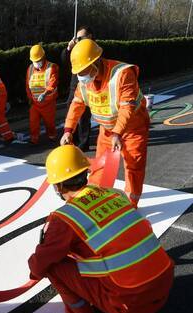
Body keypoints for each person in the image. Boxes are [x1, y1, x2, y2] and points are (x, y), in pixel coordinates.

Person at [28, 145, 174, 313]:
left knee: (53, 266)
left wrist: (34, 272)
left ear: (58, 186)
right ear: (85, 172)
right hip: (164, 287)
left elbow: (42, 261)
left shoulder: (64, 218)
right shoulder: (114, 194)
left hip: (131, 307)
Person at [60, 39, 150, 207]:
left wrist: (117, 133)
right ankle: (95, 199)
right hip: (107, 130)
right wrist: (68, 130)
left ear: (96, 62)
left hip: (133, 128)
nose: (81, 76)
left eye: (83, 71)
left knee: (133, 166)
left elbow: (127, 108)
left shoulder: (122, 74)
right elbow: (77, 104)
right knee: (101, 166)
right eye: (78, 72)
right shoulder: (84, 82)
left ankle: (131, 203)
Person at [60, 26, 94, 152]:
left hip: (89, 86)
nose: (77, 40)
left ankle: (83, 144)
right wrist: (69, 48)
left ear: (89, 36)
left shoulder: (93, 49)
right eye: (76, 38)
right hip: (75, 86)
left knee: (84, 117)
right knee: (72, 112)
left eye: (80, 38)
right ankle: (71, 139)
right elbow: (65, 61)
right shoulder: (76, 49)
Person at [26, 44, 59, 145]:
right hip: (35, 103)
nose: (36, 63)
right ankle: (34, 139)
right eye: (34, 61)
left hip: (48, 102)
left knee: (49, 123)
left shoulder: (52, 67)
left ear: (44, 57)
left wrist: (45, 94)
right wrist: (30, 98)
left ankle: (52, 135)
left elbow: (53, 83)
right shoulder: (30, 68)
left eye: (38, 60)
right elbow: (27, 84)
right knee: (33, 122)